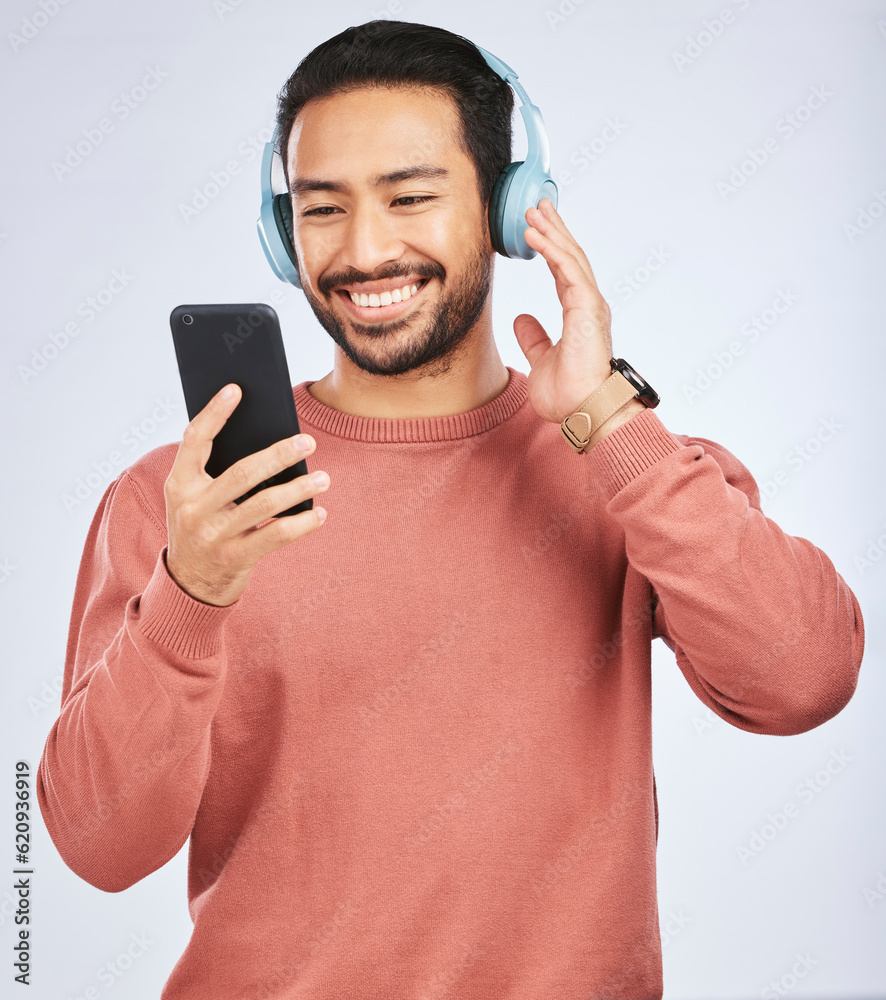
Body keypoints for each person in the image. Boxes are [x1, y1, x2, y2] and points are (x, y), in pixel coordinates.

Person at [37, 19, 864, 1000]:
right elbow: (98, 843)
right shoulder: (190, 508)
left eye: (411, 197)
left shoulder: (624, 465)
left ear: (511, 211)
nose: (364, 250)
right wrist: (192, 594)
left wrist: (609, 421)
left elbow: (805, 679)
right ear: (279, 230)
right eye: (322, 208)